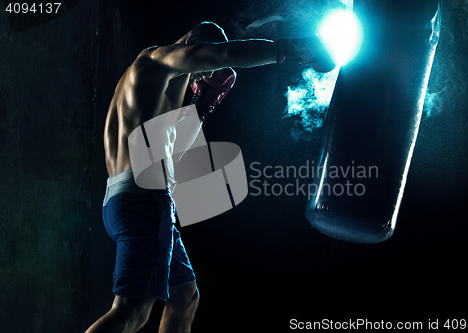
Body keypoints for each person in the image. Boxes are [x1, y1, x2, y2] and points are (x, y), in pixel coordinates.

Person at [86, 21, 334, 333]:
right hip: (145, 203)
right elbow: (226, 53)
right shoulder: (159, 60)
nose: (204, 75)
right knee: (131, 312)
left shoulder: (151, 84)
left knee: (185, 298)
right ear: (191, 43)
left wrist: (202, 107)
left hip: (133, 201)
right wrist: (296, 48)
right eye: (205, 64)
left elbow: (170, 152)